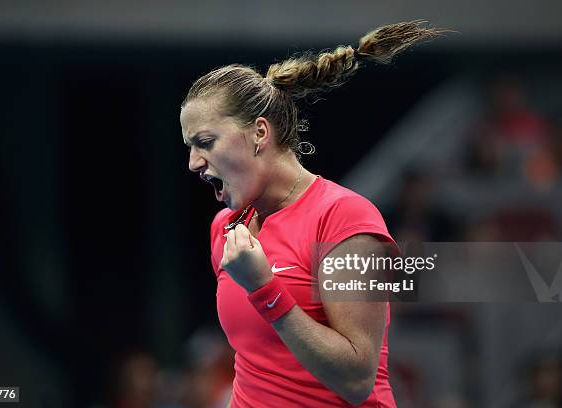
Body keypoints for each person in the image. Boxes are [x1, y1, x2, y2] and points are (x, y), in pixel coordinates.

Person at [180, 21, 445, 407]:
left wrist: (265, 289)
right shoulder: (226, 229)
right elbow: (258, 367)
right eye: (189, 146)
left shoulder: (344, 218)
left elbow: (357, 379)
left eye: (205, 142)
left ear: (259, 133)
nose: (193, 162)